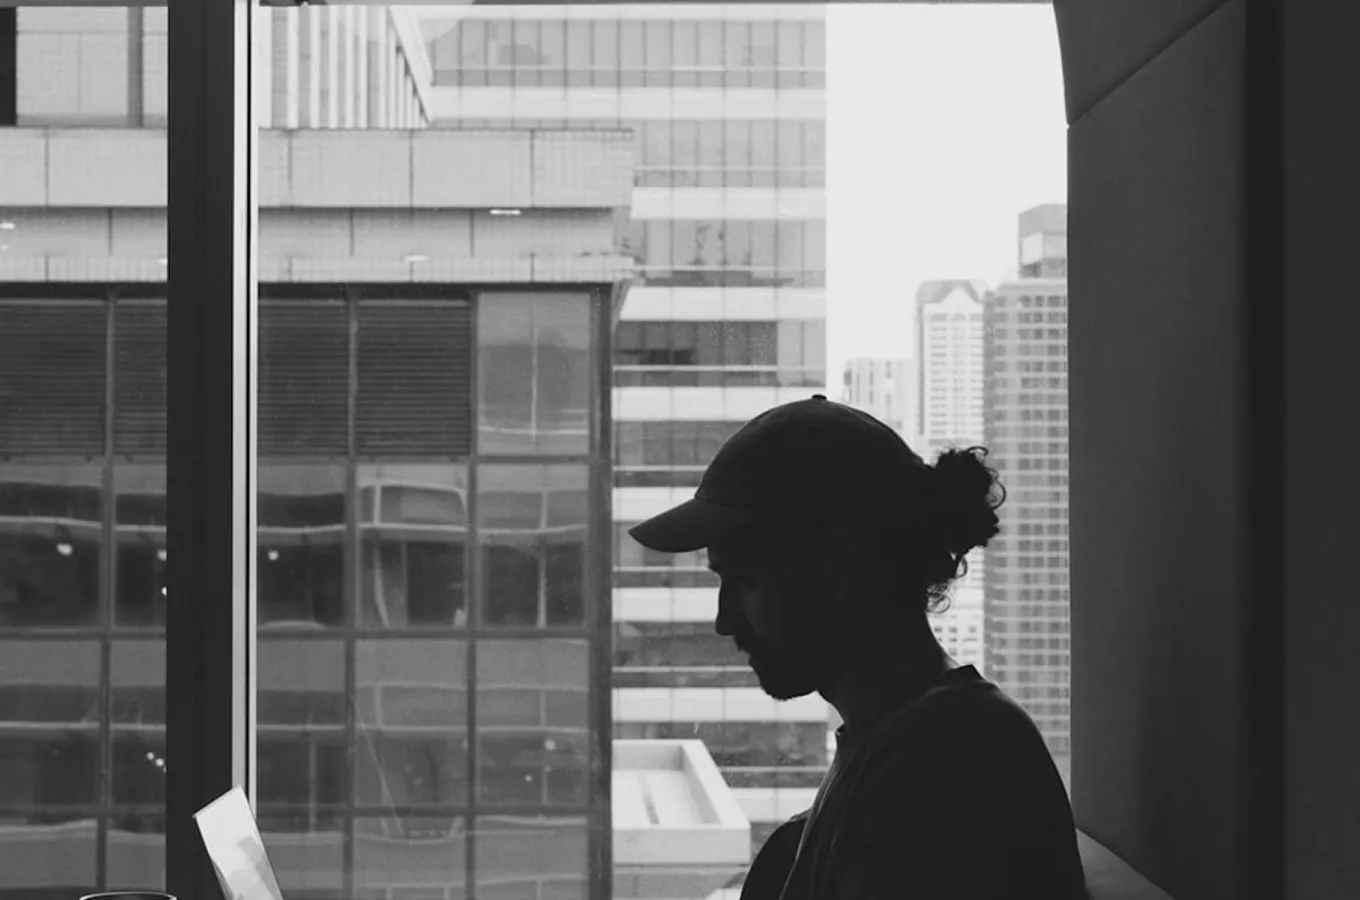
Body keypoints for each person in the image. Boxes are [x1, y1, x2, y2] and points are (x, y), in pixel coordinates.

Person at [629, 395, 1086, 900]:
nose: (723, 619)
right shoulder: (913, 745)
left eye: (744, 579)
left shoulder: (943, 762)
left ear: (840, 564)